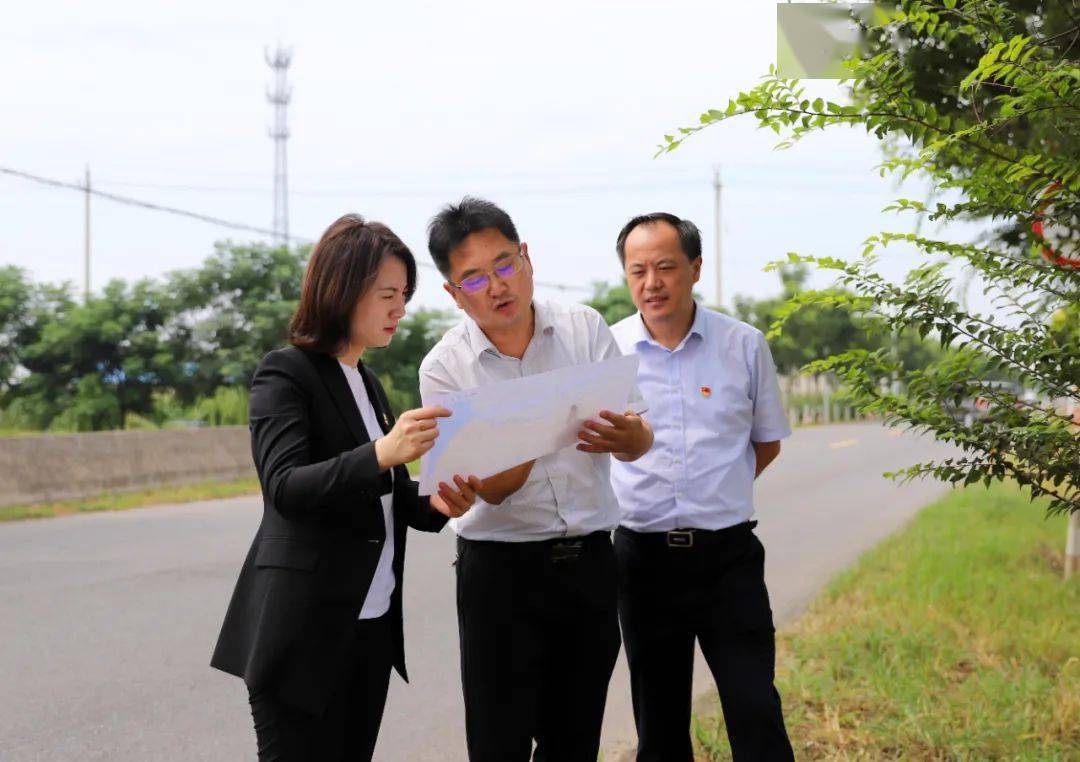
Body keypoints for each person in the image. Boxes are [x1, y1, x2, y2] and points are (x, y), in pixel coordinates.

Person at [210, 213, 480, 762]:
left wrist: (440, 504)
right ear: (341, 290)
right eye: (387, 294)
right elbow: (286, 486)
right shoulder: (285, 373)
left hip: (370, 626)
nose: (399, 309)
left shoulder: (366, 379)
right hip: (302, 632)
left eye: (403, 294)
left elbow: (384, 492)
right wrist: (385, 451)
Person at [418, 197, 653, 761]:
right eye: (473, 277)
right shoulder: (445, 368)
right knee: (498, 742)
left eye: (503, 264)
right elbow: (491, 490)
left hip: (590, 565)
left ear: (526, 258)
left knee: (574, 741)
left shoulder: (583, 328)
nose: (497, 286)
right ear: (453, 293)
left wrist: (627, 437)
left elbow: (640, 438)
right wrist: (539, 426)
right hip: (500, 575)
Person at [608, 212, 795, 761]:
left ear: (695, 268)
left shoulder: (743, 344)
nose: (652, 283)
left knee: (754, 705)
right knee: (659, 720)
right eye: (637, 270)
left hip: (728, 559)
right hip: (642, 561)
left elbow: (766, 442)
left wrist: (714, 495)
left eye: (666, 267)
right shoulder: (606, 350)